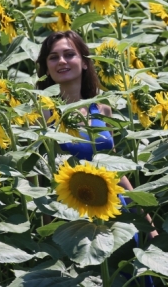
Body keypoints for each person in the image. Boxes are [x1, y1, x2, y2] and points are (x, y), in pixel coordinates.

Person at [36, 30, 158, 238]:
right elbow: (38, 176)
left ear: (84, 62)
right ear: (46, 68)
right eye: (53, 57)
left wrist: (147, 223)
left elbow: (115, 170)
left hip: (113, 208)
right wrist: (47, 228)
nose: (62, 61)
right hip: (71, 215)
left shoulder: (102, 110)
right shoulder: (43, 113)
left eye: (69, 54)